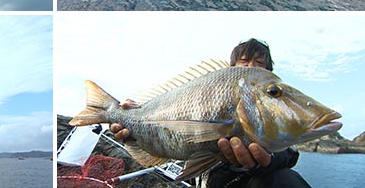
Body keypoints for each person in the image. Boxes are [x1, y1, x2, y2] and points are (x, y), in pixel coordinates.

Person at [109, 38, 311, 188]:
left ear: (267, 72)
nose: (250, 66)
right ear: (231, 68)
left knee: (286, 180)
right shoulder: (209, 88)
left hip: (249, 181)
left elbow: (288, 151)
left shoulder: (273, 109)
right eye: (244, 60)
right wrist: (133, 128)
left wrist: (269, 159)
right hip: (211, 180)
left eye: (259, 64)